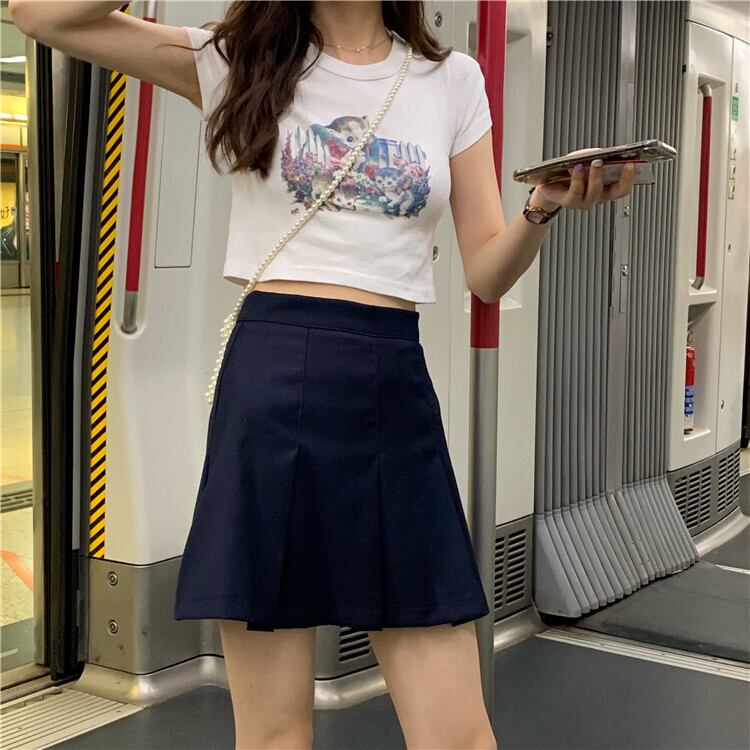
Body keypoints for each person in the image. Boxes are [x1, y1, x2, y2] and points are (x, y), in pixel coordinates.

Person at [10, 1, 636, 748]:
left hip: (391, 386)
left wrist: (539, 209)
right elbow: (42, 17)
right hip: (272, 381)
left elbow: (485, 273)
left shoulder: (451, 80)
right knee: (275, 734)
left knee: (458, 736)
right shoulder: (238, 60)